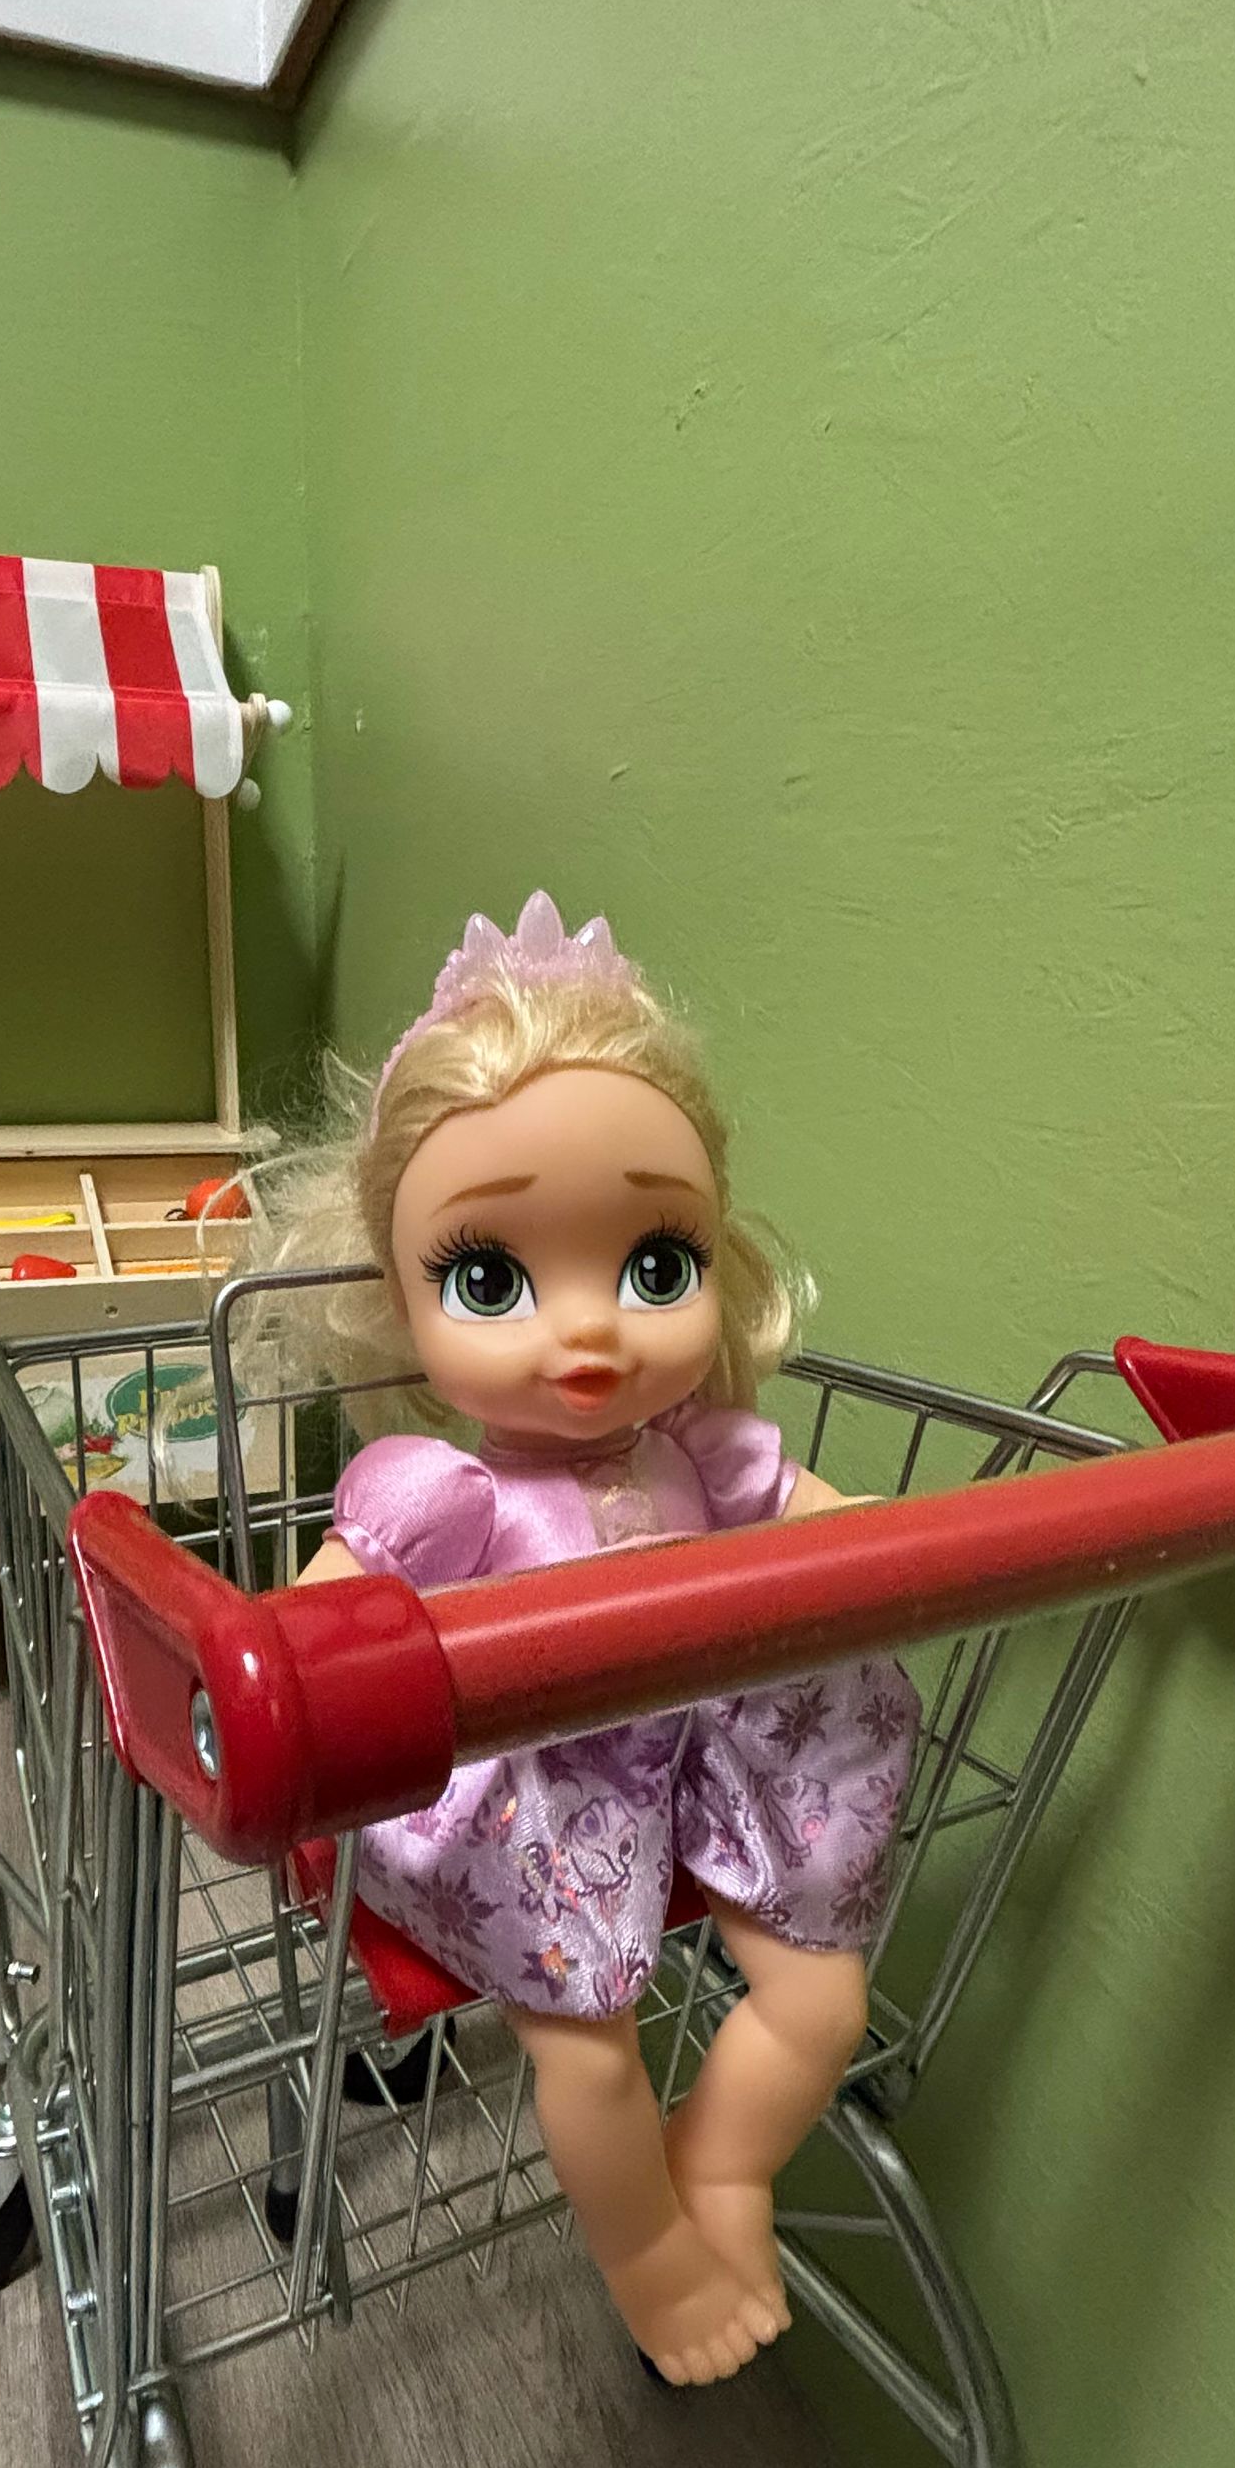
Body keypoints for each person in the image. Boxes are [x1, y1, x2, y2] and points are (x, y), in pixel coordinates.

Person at [257, 895, 915, 2384]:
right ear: (401, 1293)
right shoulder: (446, 1493)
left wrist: (876, 1550)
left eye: (653, 1263)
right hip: (535, 1799)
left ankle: (728, 2170)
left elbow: (837, 1524)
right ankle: (648, 2256)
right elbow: (308, 1628)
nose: (591, 1332)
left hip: (703, 1757)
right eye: (490, 1278)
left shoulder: (713, 1448)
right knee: (584, 2040)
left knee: (821, 1996)